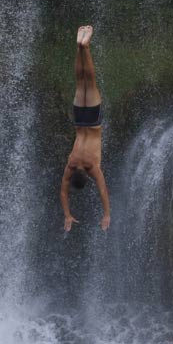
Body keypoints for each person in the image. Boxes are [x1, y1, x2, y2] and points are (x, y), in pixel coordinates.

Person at [60, 25, 111, 232]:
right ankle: (79, 47)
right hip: (79, 120)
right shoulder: (70, 164)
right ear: (73, 175)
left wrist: (107, 214)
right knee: (80, 82)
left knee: (89, 81)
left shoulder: (92, 167)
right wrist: (67, 215)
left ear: (87, 176)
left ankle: (86, 46)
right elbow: (63, 193)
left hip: (92, 120)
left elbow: (102, 190)